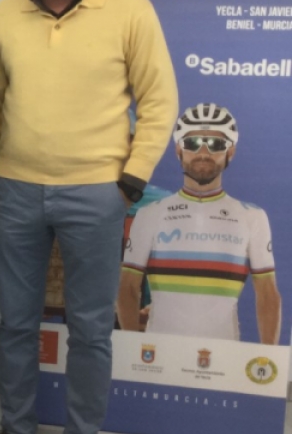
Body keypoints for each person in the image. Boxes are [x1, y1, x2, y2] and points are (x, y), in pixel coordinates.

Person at [0, 0, 178, 434]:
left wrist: (130, 181)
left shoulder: (130, 9)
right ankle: (17, 433)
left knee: (89, 329)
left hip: (96, 194)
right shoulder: (5, 15)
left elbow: (160, 99)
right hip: (14, 190)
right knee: (16, 323)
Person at [118, 103, 280, 343]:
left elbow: (267, 295)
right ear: (178, 149)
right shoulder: (149, 214)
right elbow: (127, 288)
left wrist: (268, 357)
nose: (203, 152)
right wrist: (133, 349)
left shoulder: (252, 217)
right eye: (192, 143)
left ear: (231, 152)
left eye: (216, 144)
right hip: (158, 356)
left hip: (225, 356)